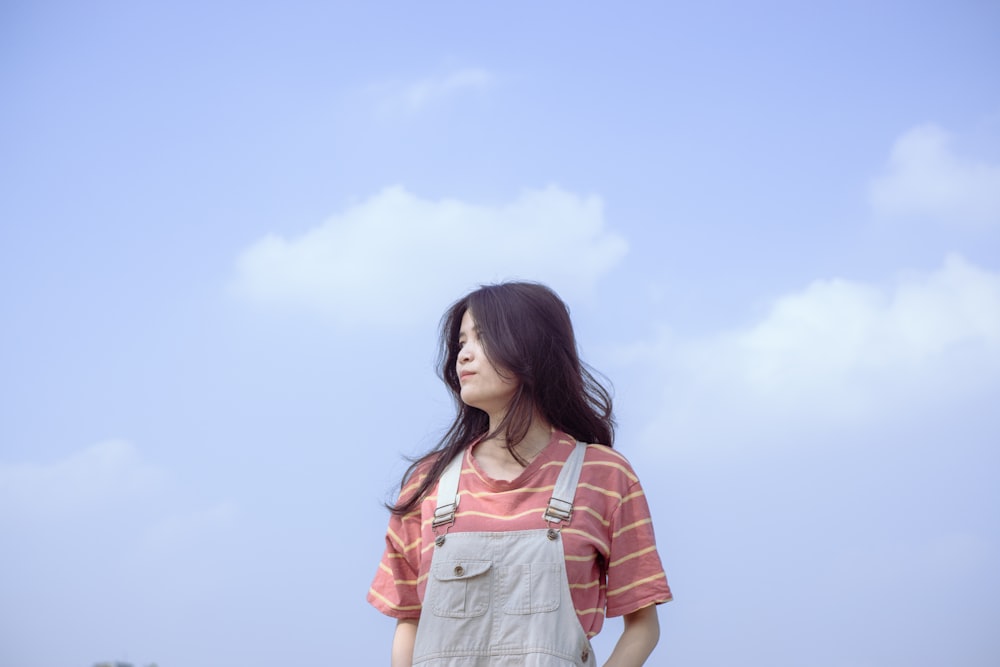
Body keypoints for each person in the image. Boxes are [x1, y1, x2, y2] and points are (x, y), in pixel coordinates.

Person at [368, 282, 672, 666]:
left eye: (481, 337)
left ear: (530, 346)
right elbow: (408, 620)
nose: (463, 355)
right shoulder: (428, 483)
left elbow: (644, 624)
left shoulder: (605, 476)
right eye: (461, 342)